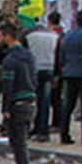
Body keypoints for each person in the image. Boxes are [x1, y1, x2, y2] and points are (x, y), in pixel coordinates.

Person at [0, 22, 37, 164]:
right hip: (29, 99)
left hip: (16, 102)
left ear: (7, 36)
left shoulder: (10, 60)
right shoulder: (28, 56)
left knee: (18, 141)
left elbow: (8, 86)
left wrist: (5, 108)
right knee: (22, 140)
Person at [56, 8, 82, 144]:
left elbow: (61, 55)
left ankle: (64, 133)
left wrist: (64, 68)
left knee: (68, 104)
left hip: (69, 72)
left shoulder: (68, 35)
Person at [26, 12, 61, 141]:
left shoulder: (29, 36)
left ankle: (32, 127)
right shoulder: (55, 36)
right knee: (45, 101)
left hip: (33, 70)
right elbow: (58, 56)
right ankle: (43, 130)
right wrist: (57, 74)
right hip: (49, 69)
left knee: (31, 100)